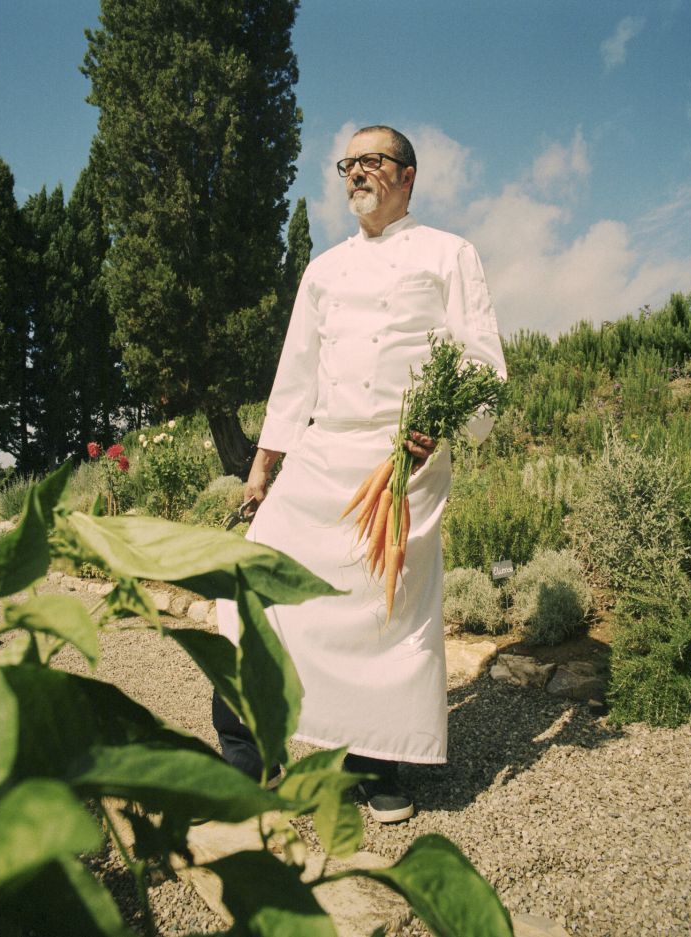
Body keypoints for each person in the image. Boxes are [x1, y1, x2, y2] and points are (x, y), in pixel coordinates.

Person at [214, 125, 506, 823]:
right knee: (250, 586)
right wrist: (261, 471)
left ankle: (375, 767)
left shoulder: (450, 253)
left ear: (407, 175)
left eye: (371, 161)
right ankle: (243, 756)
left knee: (386, 614)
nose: (355, 174)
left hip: (403, 459)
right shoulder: (323, 270)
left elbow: (482, 362)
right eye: (348, 164)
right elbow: (296, 377)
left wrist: (441, 421)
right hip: (323, 453)